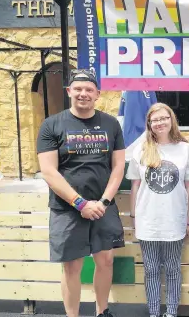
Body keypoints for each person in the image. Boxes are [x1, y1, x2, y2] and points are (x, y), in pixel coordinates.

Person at [36, 69, 126, 317]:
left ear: (97, 94)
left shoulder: (111, 124)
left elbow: (118, 166)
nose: (83, 94)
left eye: (89, 89)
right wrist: (80, 203)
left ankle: (102, 311)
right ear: (69, 92)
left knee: (105, 260)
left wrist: (104, 201)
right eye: (78, 89)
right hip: (67, 208)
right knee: (72, 266)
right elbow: (49, 171)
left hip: (102, 206)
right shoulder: (51, 125)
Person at [126, 103, 189, 317]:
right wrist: (133, 216)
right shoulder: (140, 150)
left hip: (174, 220)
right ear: (149, 123)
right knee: (151, 270)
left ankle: (172, 312)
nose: (160, 123)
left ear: (171, 119)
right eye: (155, 120)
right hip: (147, 220)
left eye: (164, 118)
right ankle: (154, 312)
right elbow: (135, 186)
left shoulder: (185, 150)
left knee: (174, 269)